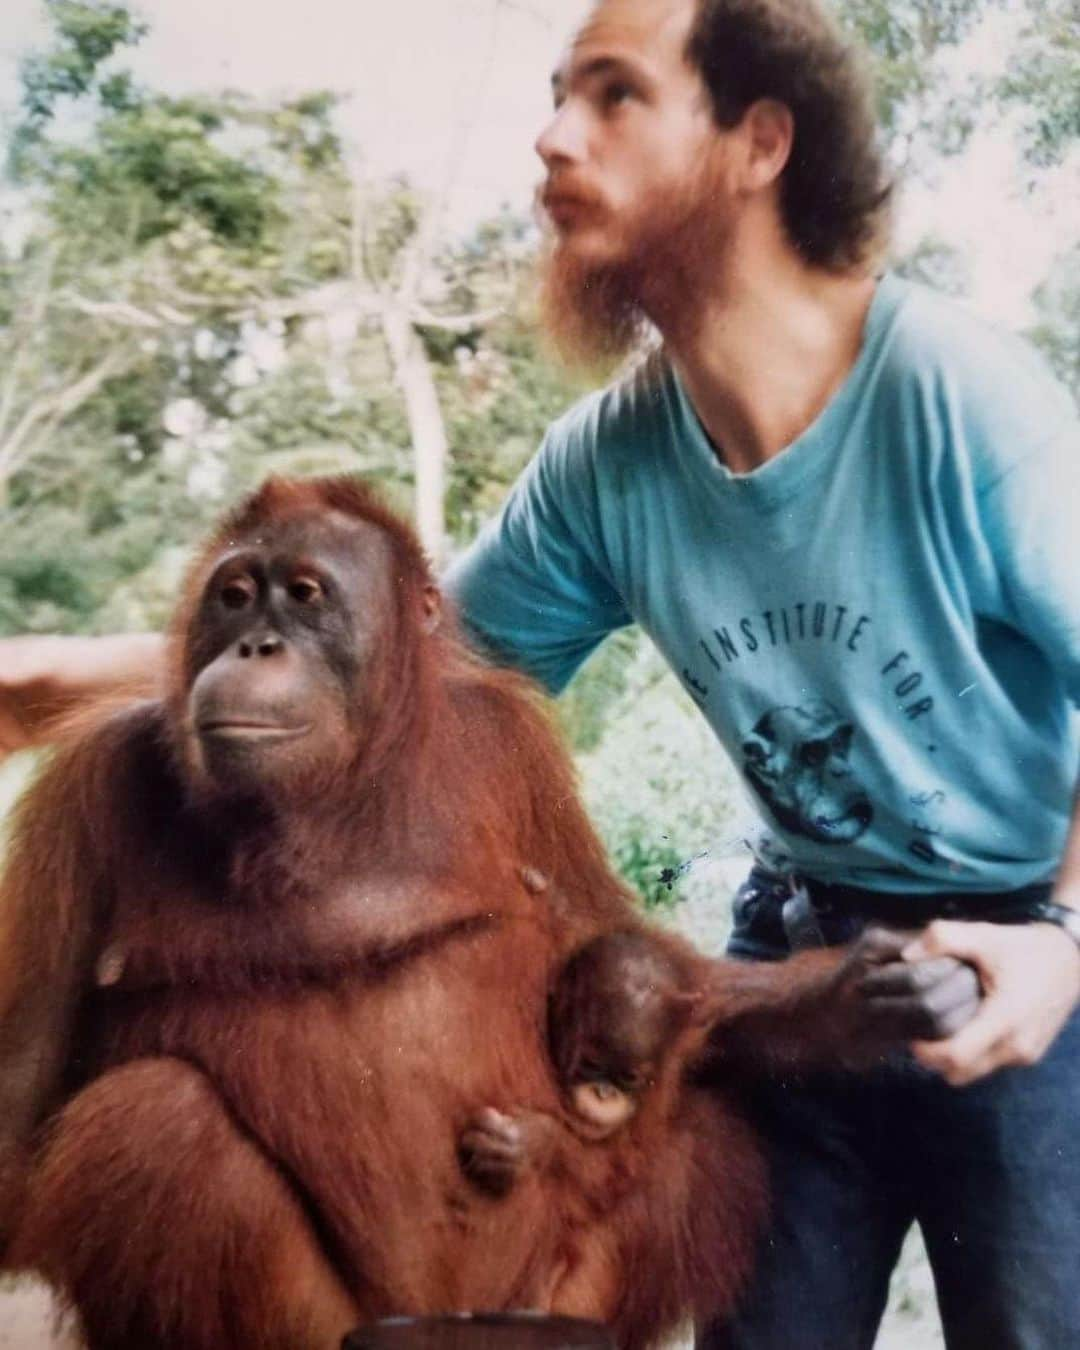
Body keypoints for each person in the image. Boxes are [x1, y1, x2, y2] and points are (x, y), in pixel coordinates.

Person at [2, 0, 1079, 1343]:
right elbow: (393, 659)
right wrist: (45, 683)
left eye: (614, 96)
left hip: (1022, 929)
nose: (551, 137)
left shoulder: (956, 395)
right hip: (805, 920)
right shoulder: (608, 463)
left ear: (758, 141)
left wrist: (1060, 933)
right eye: (559, 93)